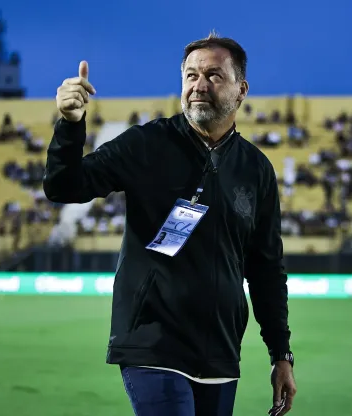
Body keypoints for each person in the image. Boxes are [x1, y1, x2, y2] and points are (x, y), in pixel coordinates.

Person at [44, 32, 297, 416]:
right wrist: (69, 126)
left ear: (241, 89)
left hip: (220, 354)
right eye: (191, 75)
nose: (199, 85)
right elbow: (64, 186)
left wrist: (282, 354)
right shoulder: (147, 144)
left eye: (214, 76)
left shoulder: (256, 170)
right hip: (152, 342)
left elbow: (266, 270)